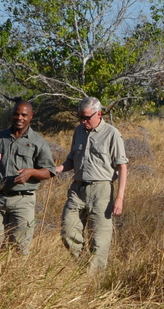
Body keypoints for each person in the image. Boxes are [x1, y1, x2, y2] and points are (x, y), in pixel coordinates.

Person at [54, 97, 128, 272]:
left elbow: (122, 166)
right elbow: (71, 160)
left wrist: (119, 198)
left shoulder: (112, 134)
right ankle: (82, 264)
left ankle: (92, 280)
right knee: (67, 230)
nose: (83, 121)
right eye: (81, 117)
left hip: (101, 190)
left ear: (99, 114)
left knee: (99, 241)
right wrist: (57, 169)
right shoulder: (78, 131)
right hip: (77, 188)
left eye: (87, 118)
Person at [0, 100, 57, 255]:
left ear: (31, 117)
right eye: (16, 114)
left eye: (24, 115)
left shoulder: (38, 142)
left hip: (23, 200)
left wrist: (31, 172)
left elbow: (49, 171)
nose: (19, 118)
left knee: (19, 248)